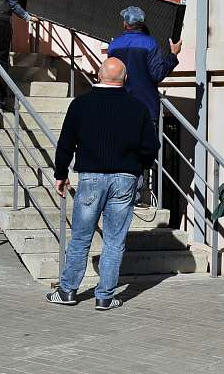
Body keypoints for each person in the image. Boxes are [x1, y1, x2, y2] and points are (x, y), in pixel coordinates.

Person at [46, 57, 159, 311]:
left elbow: (66, 143)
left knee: (80, 238)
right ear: (126, 79)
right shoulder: (138, 107)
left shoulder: (81, 105)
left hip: (91, 177)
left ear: (98, 76)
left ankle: (67, 291)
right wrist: (139, 169)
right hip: (125, 178)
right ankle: (105, 296)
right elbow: (151, 147)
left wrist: (61, 173)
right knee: (114, 240)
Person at [107, 6, 182, 124]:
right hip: (145, 109)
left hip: (118, 109)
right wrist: (173, 55)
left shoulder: (113, 45)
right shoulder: (150, 43)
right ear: (142, 24)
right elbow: (157, 74)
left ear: (125, 23)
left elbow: (109, 77)